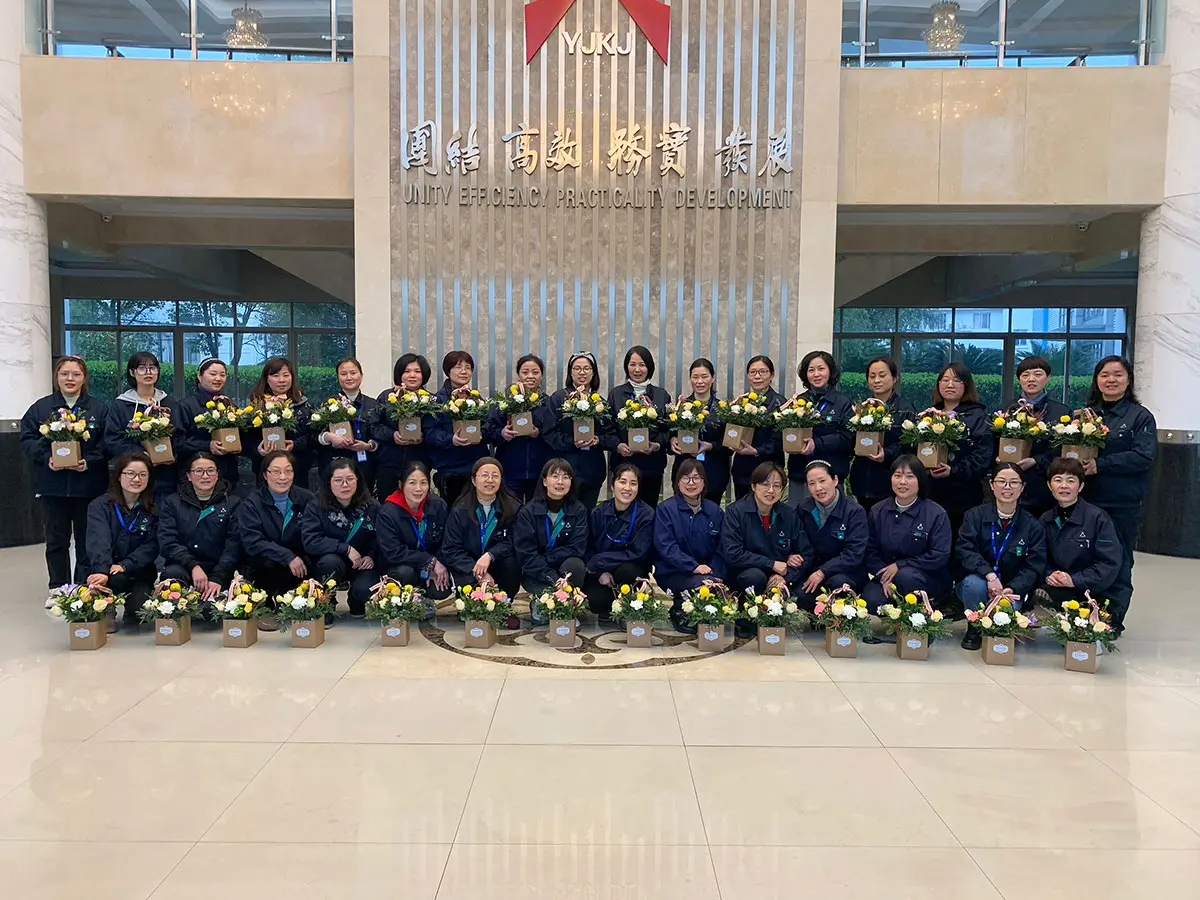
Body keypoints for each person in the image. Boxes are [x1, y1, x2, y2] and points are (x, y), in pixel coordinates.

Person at [20, 355, 108, 588]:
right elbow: (27, 439)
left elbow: (106, 444)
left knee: (87, 541)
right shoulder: (41, 408)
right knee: (56, 541)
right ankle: (58, 587)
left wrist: (88, 462)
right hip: (53, 487)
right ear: (56, 377)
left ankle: (83, 588)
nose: (70, 378)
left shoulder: (98, 408)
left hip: (88, 487)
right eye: (64, 374)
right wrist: (46, 457)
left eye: (76, 374)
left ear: (84, 378)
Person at [1082, 356, 1155, 632]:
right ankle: (1083, 616)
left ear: (1128, 379)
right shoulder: (1086, 415)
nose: (1111, 380)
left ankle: (1112, 620)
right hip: (1087, 500)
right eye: (1104, 375)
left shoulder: (1140, 416)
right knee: (1086, 558)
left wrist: (1100, 465)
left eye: (1117, 374)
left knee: (1119, 560)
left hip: (1121, 503)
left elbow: (1143, 456)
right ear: (1096, 380)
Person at [956, 462, 1048, 650]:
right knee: (974, 585)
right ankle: (974, 628)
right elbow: (965, 550)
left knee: (1004, 612)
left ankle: (998, 631)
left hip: (1011, 588)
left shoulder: (1032, 525)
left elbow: (1034, 566)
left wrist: (1012, 587)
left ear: (1022, 487)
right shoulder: (974, 516)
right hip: (980, 581)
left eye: (1014, 482)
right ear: (992, 485)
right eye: (1002, 481)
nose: (1007, 487)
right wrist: (989, 575)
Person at [720, 462, 812, 628]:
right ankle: (745, 617)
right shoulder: (736, 512)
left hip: (779, 576)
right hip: (745, 573)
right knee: (754, 576)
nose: (771, 490)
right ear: (753, 486)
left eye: (777, 486)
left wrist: (785, 576)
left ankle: (773, 617)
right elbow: (732, 553)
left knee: (803, 591)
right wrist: (771, 564)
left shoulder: (788, 515)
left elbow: (806, 553)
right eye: (765, 484)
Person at [1037, 458, 1125, 630]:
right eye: (1058, 480)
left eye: (1071, 481)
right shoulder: (1046, 519)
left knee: (1089, 632)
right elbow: (1038, 556)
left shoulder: (1098, 519)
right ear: (1049, 485)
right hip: (1061, 586)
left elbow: (1109, 563)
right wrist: (1049, 574)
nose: (1064, 486)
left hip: (1095, 590)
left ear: (1081, 486)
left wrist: (1075, 580)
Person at [234, 449, 315, 628]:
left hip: (299, 564)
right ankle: (265, 605)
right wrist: (287, 556)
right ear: (265, 475)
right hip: (265, 562)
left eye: (288, 471)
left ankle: (300, 602)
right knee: (266, 563)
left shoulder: (307, 498)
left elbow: (314, 533)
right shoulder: (252, 503)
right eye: (276, 471)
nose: (283, 477)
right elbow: (252, 542)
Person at [862, 455, 953, 612]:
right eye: (897, 476)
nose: (902, 482)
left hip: (925, 577)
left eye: (910, 477)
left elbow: (939, 555)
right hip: (886, 576)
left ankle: (922, 613)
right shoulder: (878, 511)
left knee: (906, 577)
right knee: (871, 601)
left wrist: (899, 566)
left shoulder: (936, 513)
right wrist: (885, 577)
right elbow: (870, 550)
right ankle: (897, 617)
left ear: (920, 480)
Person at [85, 452, 158, 633]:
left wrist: (126, 565)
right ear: (118, 476)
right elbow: (99, 540)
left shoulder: (155, 507)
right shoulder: (100, 506)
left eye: (142, 474)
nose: (136, 479)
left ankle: (131, 607)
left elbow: (153, 545)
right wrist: (102, 570)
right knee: (109, 578)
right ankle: (106, 606)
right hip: (108, 571)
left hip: (139, 571)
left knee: (139, 612)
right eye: (130, 473)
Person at [301, 458, 379, 622]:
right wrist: (345, 549)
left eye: (350, 479)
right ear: (329, 482)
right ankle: (326, 603)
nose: (345, 485)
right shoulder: (316, 506)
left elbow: (380, 538)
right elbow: (311, 540)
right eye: (338, 480)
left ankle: (356, 600)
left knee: (365, 587)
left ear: (357, 479)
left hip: (361, 563)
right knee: (330, 563)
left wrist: (371, 555)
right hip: (330, 561)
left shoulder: (372, 506)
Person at [654, 458, 727, 633]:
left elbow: (722, 548)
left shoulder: (715, 511)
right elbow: (666, 547)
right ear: (677, 481)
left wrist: (715, 573)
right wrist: (694, 566)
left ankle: (701, 610)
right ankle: (679, 608)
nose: (691, 483)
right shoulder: (665, 509)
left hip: (708, 572)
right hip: (674, 571)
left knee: (713, 587)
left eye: (696, 478)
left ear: (704, 482)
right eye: (685, 478)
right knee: (702, 585)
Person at [158, 451, 241, 606]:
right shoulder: (172, 502)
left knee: (209, 611)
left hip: (217, 569)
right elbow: (168, 541)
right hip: (183, 567)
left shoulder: (233, 503)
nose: (205, 476)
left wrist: (218, 577)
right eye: (199, 471)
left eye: (210, 471)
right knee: (173, 580)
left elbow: (233, 545)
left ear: (217, 474)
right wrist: (193, 565)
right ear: (188, 476)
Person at [926, 362, 993, 543]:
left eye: (956, 380)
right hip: (931, 493)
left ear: (966, 385)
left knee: (960, 544)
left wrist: (954, 470)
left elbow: (982, 457)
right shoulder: (929, 415)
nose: (950, 385)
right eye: (945, 380)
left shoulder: (979, 417)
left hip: (964, 496)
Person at [104, 351, 182, 499]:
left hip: (165, 476)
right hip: (132, 478)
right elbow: (112, 439)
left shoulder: (169, 403)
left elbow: (180, 433)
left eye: (152, 368)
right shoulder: (120, 405)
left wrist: (171, 452)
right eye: (142, 368)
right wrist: (141, 455)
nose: (148, 372)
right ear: (132, 372)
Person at [441, 457, 523, 596]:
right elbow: (451, 549)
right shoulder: (460, 510)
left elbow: (514, 540)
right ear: (473, 480)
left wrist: (490, 555)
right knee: (470, 595)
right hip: (468, 565)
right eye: (485, 475)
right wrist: (477, 571)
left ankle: (505, 603)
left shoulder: (513, 508)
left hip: (497, 561)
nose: (490, 480)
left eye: (495, 476)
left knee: (511, 565)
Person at [582, 463, 655, 619]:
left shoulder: (646, 515)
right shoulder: (598, 512)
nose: (627, 488)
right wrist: (601, 572)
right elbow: (589, 547)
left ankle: (630, 604)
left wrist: (601, 560)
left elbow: (638, 552)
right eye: (622, 481)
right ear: (612, 485)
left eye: (633, 483)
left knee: (627, 571)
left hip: (630, 569)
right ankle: (611, 603)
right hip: (602, 571)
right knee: (596, 602)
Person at [795, 460, 869, 611]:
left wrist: (823, 572)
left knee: (838, 586)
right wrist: (792, 556)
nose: (818, 488)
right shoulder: (803, 509)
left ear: (835, 480)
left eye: (822, 481)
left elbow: (854, 554)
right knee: (800, 596)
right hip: (814, 570)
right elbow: (797, 542)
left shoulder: (854, 511)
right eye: (812, 483)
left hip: (846, 571)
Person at [376, 460, 452, 603]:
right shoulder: (388, 512)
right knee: (405, 573)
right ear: (401, 485)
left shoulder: (438, 505)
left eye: (423, 483)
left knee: (441, 588)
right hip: (400, 565)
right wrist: (429, 561)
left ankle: (424, 599)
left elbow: (446, 540)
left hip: (429, 563)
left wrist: (438, 563)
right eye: (412, 483)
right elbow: (394, 552)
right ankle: (402, 600)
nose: (418, 488)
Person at [605, 345, 671, 508]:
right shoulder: (616, 394)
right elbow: (607, 428)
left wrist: (656, 445)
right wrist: (618, 445)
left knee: (648, 510)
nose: (637, 369)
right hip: (623, 464)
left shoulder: (661, 395)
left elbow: (669, 431)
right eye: (632, 364)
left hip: (652, 467)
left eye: (642, 365)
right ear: (626, 367)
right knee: (623, 509)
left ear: (649, 367)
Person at [513, 458, 588, 602]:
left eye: (565, 477)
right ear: (544, 481)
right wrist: (553, 577)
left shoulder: (578, 510)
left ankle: (567, 605)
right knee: (548, 600)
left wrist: (547, 558)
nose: (560, 482)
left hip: (565, 571)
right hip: (537, 573)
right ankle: (543, 603)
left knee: (576, 565)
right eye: (555, 476)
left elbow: (577, 548)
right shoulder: (528, 512)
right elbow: (526, 555)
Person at [784, 350, 853, 508]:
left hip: (831, 475)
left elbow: (847, 438)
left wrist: (817, 443)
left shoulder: (843, 402)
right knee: (799, 518)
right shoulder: (798, 401)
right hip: (800, 475)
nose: (816, 374)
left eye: (821, 369)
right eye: (811, 370)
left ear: (830, 371)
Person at [849, 356, 914, 513]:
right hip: (862, 483)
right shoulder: (861, 409)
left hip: (891, 482)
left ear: (895, 378)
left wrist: (886, 454)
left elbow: (910, 446)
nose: (877, 380)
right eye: (872, 376)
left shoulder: (906, 409)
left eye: (882, 375)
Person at [427, 350, 491, 506]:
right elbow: (430, 433)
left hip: (476, 467)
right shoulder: (437, 400)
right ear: (448, 371)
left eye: (468, 367)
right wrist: (451, 439)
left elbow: (489, 425)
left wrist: (482, 434)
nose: (464, 371)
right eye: (458, 367)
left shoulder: (477, 399)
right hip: (450, 469)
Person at [545, 351, 608, 509]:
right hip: (565, 472)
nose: (582, 372)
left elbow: (610, 434)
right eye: (577, 368)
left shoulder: (600, 402)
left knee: (587, 515)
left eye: (587, 368)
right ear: (570, 372)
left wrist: (598, 440)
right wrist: (571, 442)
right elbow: (549, 433)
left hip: (593, 471)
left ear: (593, 372)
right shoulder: (559, 398)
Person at [487, 354, 554, 501]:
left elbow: (555, 434)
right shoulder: (505, 401)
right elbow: (489, 430)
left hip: (539, 469)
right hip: (510, 468)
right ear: (518, 375)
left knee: (536, 510)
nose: (530, 376)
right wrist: (502, 434)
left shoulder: (548, 403)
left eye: (535, 372)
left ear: (541, 375)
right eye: (525, 372)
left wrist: (538, 433)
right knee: (510, 509)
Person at [1010, 355, 1070, 519]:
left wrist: (1036, 461)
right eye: (1025, 375)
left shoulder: (1061, 412)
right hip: (1011, 487)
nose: (1031, 379)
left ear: (1048, 377)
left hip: (1046, 487)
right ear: (1019, 379)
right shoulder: (1006, 410)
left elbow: (1063, 449)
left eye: (1037, 374)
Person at [372, 353, 436, 502]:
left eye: (417, 371)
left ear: (424, 375)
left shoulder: (431, 400)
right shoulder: (387, 397)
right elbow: (373, 426)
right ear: (399, 374)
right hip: (389, 464)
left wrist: (423, 437)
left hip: (419, 463)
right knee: (387, 505)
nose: (412, 375)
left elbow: (435, 430)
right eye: (407, 371)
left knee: (417, 505)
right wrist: (392, 435)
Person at [314, 357, 380, 493]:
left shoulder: (373, 404)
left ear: (361, 375)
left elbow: (381, 435)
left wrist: (369, 446)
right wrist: (329, 437)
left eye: (353, 373)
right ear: (338, 377)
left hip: (365, 468)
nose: (349, 377)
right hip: (334, 467)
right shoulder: (328, 404)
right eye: (343, 374)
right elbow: (314, 435)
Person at [670, 358, 730, 503]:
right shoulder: (680, 407)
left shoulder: (722, 409)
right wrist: (672, 440)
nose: (700, 381)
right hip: (684, 473)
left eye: (704, 376)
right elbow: (670, 434)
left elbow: (730, 446)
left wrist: (711, 446)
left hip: (714, 474)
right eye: (695, 377)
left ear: (712, 378)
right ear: (690, 379)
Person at [246, 357, 313, 485]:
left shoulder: (303, 404)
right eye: (275, 376)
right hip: (265, 470)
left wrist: (294, 445)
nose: (281, 380)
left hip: (297, 470)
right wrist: (258, 451)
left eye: (286, 375)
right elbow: (247, 440)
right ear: (267, 379)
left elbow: (312, 437)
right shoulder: (256, 406)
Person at [176, 357, 240, 488]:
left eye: (222, 375)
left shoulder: (229, 405)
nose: (218, 378)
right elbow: (178, 442)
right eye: (213, 374)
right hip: (196, 477)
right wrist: (207, 446)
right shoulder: (186, 405)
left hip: (227, 476)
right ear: (199, 376)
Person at [729, 355, 786, 500]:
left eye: (763, 372)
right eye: (753, 372)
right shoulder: (741, 402)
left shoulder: (780, 403)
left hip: (769, 470)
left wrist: (756, 451)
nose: (757, 376)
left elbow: (780, 441)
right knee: (743, 508)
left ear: (771, 375)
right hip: (743, 471)